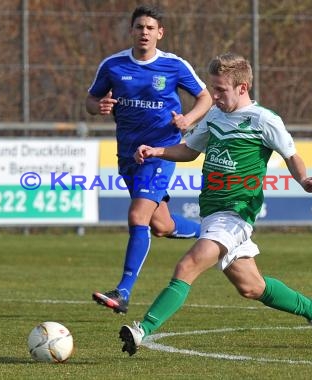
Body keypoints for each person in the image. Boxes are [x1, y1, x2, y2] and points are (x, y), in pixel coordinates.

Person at [119, 52, 312, 355]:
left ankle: (143, 329)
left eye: (221, 89)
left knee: (188, 265)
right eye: (213, 88)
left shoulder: (264, 120)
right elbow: (190, 150)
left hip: (237, 213)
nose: (214, 95)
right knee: (252, 287)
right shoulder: (215, 116)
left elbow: (291, 155)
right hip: (212, 213)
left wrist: (303, 180)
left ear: (242, 88)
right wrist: (157, 152)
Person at [85, 5, 212, 314]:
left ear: (160, 33)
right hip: (128, 155)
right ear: (132, 31)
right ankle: (210, 234)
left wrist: (188, 120)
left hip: (161, 152)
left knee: (137, 217)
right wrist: (98, 106)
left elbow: (205, 97)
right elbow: (90, 101)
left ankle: (124, 290)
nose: (144, 32)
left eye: (150, 27)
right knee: (161, 225)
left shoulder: (174, 65)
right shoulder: (113, 65)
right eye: (139, 27)